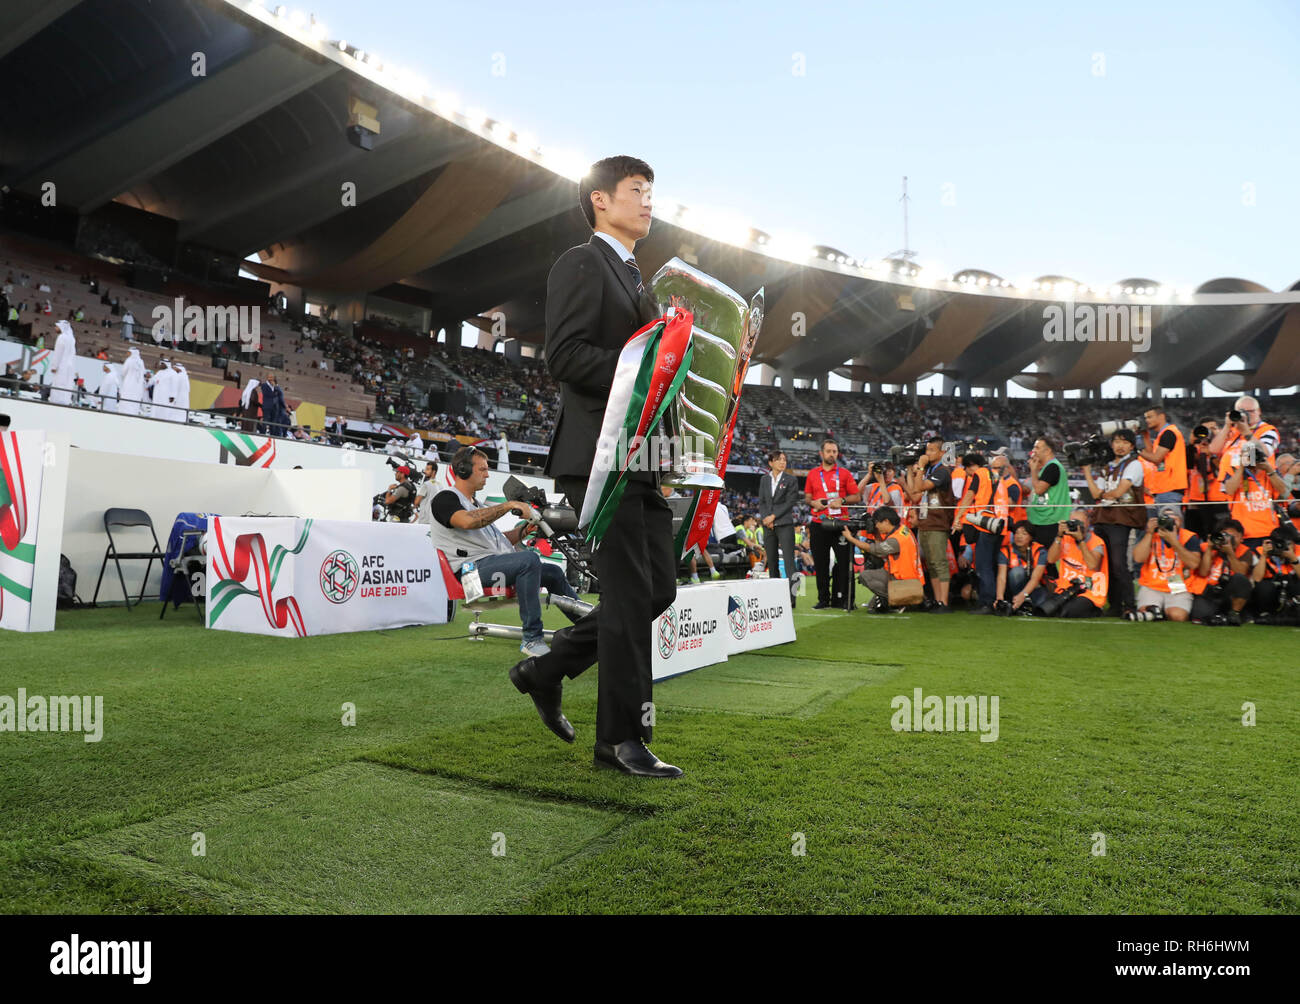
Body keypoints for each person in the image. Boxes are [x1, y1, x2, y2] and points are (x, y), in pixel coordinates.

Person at [507, 155, 682, 778]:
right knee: (633, 595)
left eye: (652, 193)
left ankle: (544, 670)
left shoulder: (639, 280)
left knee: (657, 588)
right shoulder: (583, 262)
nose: (649, 202)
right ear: (600, 200)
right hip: (598, 459)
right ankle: (621, 741)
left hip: (641, 461)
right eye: (637, 191)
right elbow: (567, 355)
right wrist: (647, 370)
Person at [430, 447, 590, 658]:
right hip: (470, 574)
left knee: (552, 572)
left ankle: (590, 629)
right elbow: (467, 521)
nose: (487, 474)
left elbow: (499, 541)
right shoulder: (446, 498)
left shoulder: (475, 504)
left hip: (488, 564)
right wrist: (509, 505)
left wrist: (524, 530)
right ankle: (532, 639)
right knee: (529, 559)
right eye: (482, 469)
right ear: (463, 470)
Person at [1081, 429, 1146, 616]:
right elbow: (1095, 494)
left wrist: (1104, 495)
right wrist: (1086, 471)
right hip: (1104, 518)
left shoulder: (1134, 465)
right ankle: (1115, 604)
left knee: (1119, 564)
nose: (1120, 445)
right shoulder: (1107, 466)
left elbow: (1117, 492)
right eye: (1116, 441)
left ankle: (1128, 604)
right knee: (1107, 564)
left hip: (1121, 519)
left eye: (1124, 442)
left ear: (1132, 446)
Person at [803, 438, 861, 609]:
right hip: (818, 523)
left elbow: (856, 497)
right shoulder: (813, 473)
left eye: (834, 451)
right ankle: (823, 599)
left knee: (844, 563)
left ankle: (847, 600)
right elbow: (807, 497)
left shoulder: (844, 473)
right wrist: (814, 503)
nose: (832, 454)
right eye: (828, 451)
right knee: (820, 564)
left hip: (840, 524)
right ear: (821, 453)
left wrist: (842, 500)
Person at [904, 436, 956, 612]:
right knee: (932, 564)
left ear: (942, 453)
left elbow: (919, 488)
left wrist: (920, 466)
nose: (927, 453)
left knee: (939, 562)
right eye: (927, 450)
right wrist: (912, 471)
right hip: (926, 522)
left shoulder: (942, 471)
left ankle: (944, 602)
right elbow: (916, 495)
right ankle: (937, 600)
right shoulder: (930, 471)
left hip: (937, 523)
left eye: (932, 450)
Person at [841, 506, 922, 613]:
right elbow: (883, 547)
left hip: (905, 581)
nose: (876, 526)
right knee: (872, 605)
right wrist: (875, 534)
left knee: (865, 576)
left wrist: (851, 539)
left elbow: (876, 549)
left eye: (877, 523)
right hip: (906, 577)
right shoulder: (902, 530)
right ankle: (895, 600)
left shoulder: (896, 539)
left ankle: (904, 601)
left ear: (886, 521)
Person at [1131, 508, 1202, 622]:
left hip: (1178, 586)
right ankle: (1157, 610)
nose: (1170, 521)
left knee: (1178, 616)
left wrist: (1174, 542)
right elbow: (1138, 558)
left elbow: (1194, 564)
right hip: (1152, 585)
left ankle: (1162, 611)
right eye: (1166, 518)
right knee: (1148, 614)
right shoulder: (1151, 534)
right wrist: (1149, 533)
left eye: (1174, 518)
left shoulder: (1189, 537)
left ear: (1181, 521)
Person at [951, 451, 998, 613]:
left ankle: (986, 603)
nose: (966, 472)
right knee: (988, 566)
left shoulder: (979, 474)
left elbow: (969, 496)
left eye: (966, 468)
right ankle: (988, 601)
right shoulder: (994, 474)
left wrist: (957, 516)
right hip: (995, 523)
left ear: (971, 465)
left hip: (984, 523)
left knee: (983, 566)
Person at [1220, 439, 1287, 548]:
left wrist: (1269, 469)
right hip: (1244, 533)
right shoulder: (1233, 471)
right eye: (1249, 455)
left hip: (1270, 532)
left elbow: (1283, 491)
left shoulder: (1270, 471)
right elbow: (1229, 490)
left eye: (1256, 455)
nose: (1253, 460)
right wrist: (1242, 467)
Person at [1187, 519, 1254, 625]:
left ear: (1241, 537)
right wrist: (1209, 549)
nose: (1229, 539)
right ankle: (1218, 614)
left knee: (1241, 580)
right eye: (1225, 535)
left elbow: (1241, 572)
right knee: (1200, 617)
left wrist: (1230, 553)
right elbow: (1203, 572)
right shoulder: (1205, 547)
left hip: (1229, 592)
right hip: (1207, 590)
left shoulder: (1245, 551)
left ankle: (1234, 613)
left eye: (1234, 536)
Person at [1045, 508, 1108, 618]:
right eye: (1073, 522)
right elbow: (1050, 559)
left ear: (1088, 523)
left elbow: (1092, 565)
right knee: (1047, 609)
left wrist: (1081, 541)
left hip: (1089, 591)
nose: (1077, 526)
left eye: (1080, 523)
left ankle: (1096, 610)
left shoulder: (1097, 541)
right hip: (1065, 589)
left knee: (1068, 612)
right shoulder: (1065, 538)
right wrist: (1059, 536)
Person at [759, 450, 799, 591]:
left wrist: (773, 516)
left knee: (789, 561)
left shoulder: (791, 479)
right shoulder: (764, 480)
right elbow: (762, 502)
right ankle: (775, 595)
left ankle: (792, 597)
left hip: (784, 524)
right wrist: (766, 519)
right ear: (771, 463)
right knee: (772, 560)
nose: (782, 462)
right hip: (768, 525)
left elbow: (790, 502)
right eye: (779, 459)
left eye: (784, 459)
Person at [1138, 403, 1188, 512]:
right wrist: (1145, 436)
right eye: (1146, 418)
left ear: (1161, 416)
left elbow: (1156, 459)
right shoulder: (1163, 434)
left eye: (1150, 417)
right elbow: (1152, 455)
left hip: (1170, 488)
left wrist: (1137, 451)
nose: (1147, 420)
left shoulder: (1169, 433)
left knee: (1170, 526)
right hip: (1164, 488)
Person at [996, 521, 1051, 613]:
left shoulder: (1040, 551)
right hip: (1013, 588)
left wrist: (1023, 595)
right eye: (1016, 533)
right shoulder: (1006, 551)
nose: (1019, 536)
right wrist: (999, 599)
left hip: (1035, 587)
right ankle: (1017, 603)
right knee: (1017, 572)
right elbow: (1001, 578)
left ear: (1031, 537)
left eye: (1024, 534)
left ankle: (1022, 603)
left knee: (1042, 606)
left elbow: (1035, 578)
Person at [1027, 437, 1071, 547]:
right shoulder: (1047, 467)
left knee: (1046, 558)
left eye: (1037, 447)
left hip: (1050, 521)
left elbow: (1039, 489)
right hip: (1043, 520)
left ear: (1047, 451)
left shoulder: (1053, 467)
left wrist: (1033, 470)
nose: (1034, 451)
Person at [1250, 529, 1299, 621]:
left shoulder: (1298, 552)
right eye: (1280, 543)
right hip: (1272, 588)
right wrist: (1264, 556)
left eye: (1288, 543)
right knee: (1263, 586)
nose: (1283, 546)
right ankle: (1265, 613)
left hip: (1292, 587)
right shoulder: (1261, 551)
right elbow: (1257, 578)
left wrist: (1293, 559)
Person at [48, 320, 77, 405]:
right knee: (67, 384)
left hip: (62, 365)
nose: (55, 328)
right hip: (70, 366)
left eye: (56, 326)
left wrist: (54, 366)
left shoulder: (62, 337)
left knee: (59, 383)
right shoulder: (72, 338)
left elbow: (58, 353)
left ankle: (57, 402)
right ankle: (65, 402)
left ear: (61, 327)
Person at [119, 347, 145, 416]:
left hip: (128, 384)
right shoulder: (141, 362)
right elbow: (143, 373)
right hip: (138, 387)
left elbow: (123, 372)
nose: (127, 354)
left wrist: (125, 379)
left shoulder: (129, 360)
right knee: (134, 403)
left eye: (129, 352)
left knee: (126, 401)